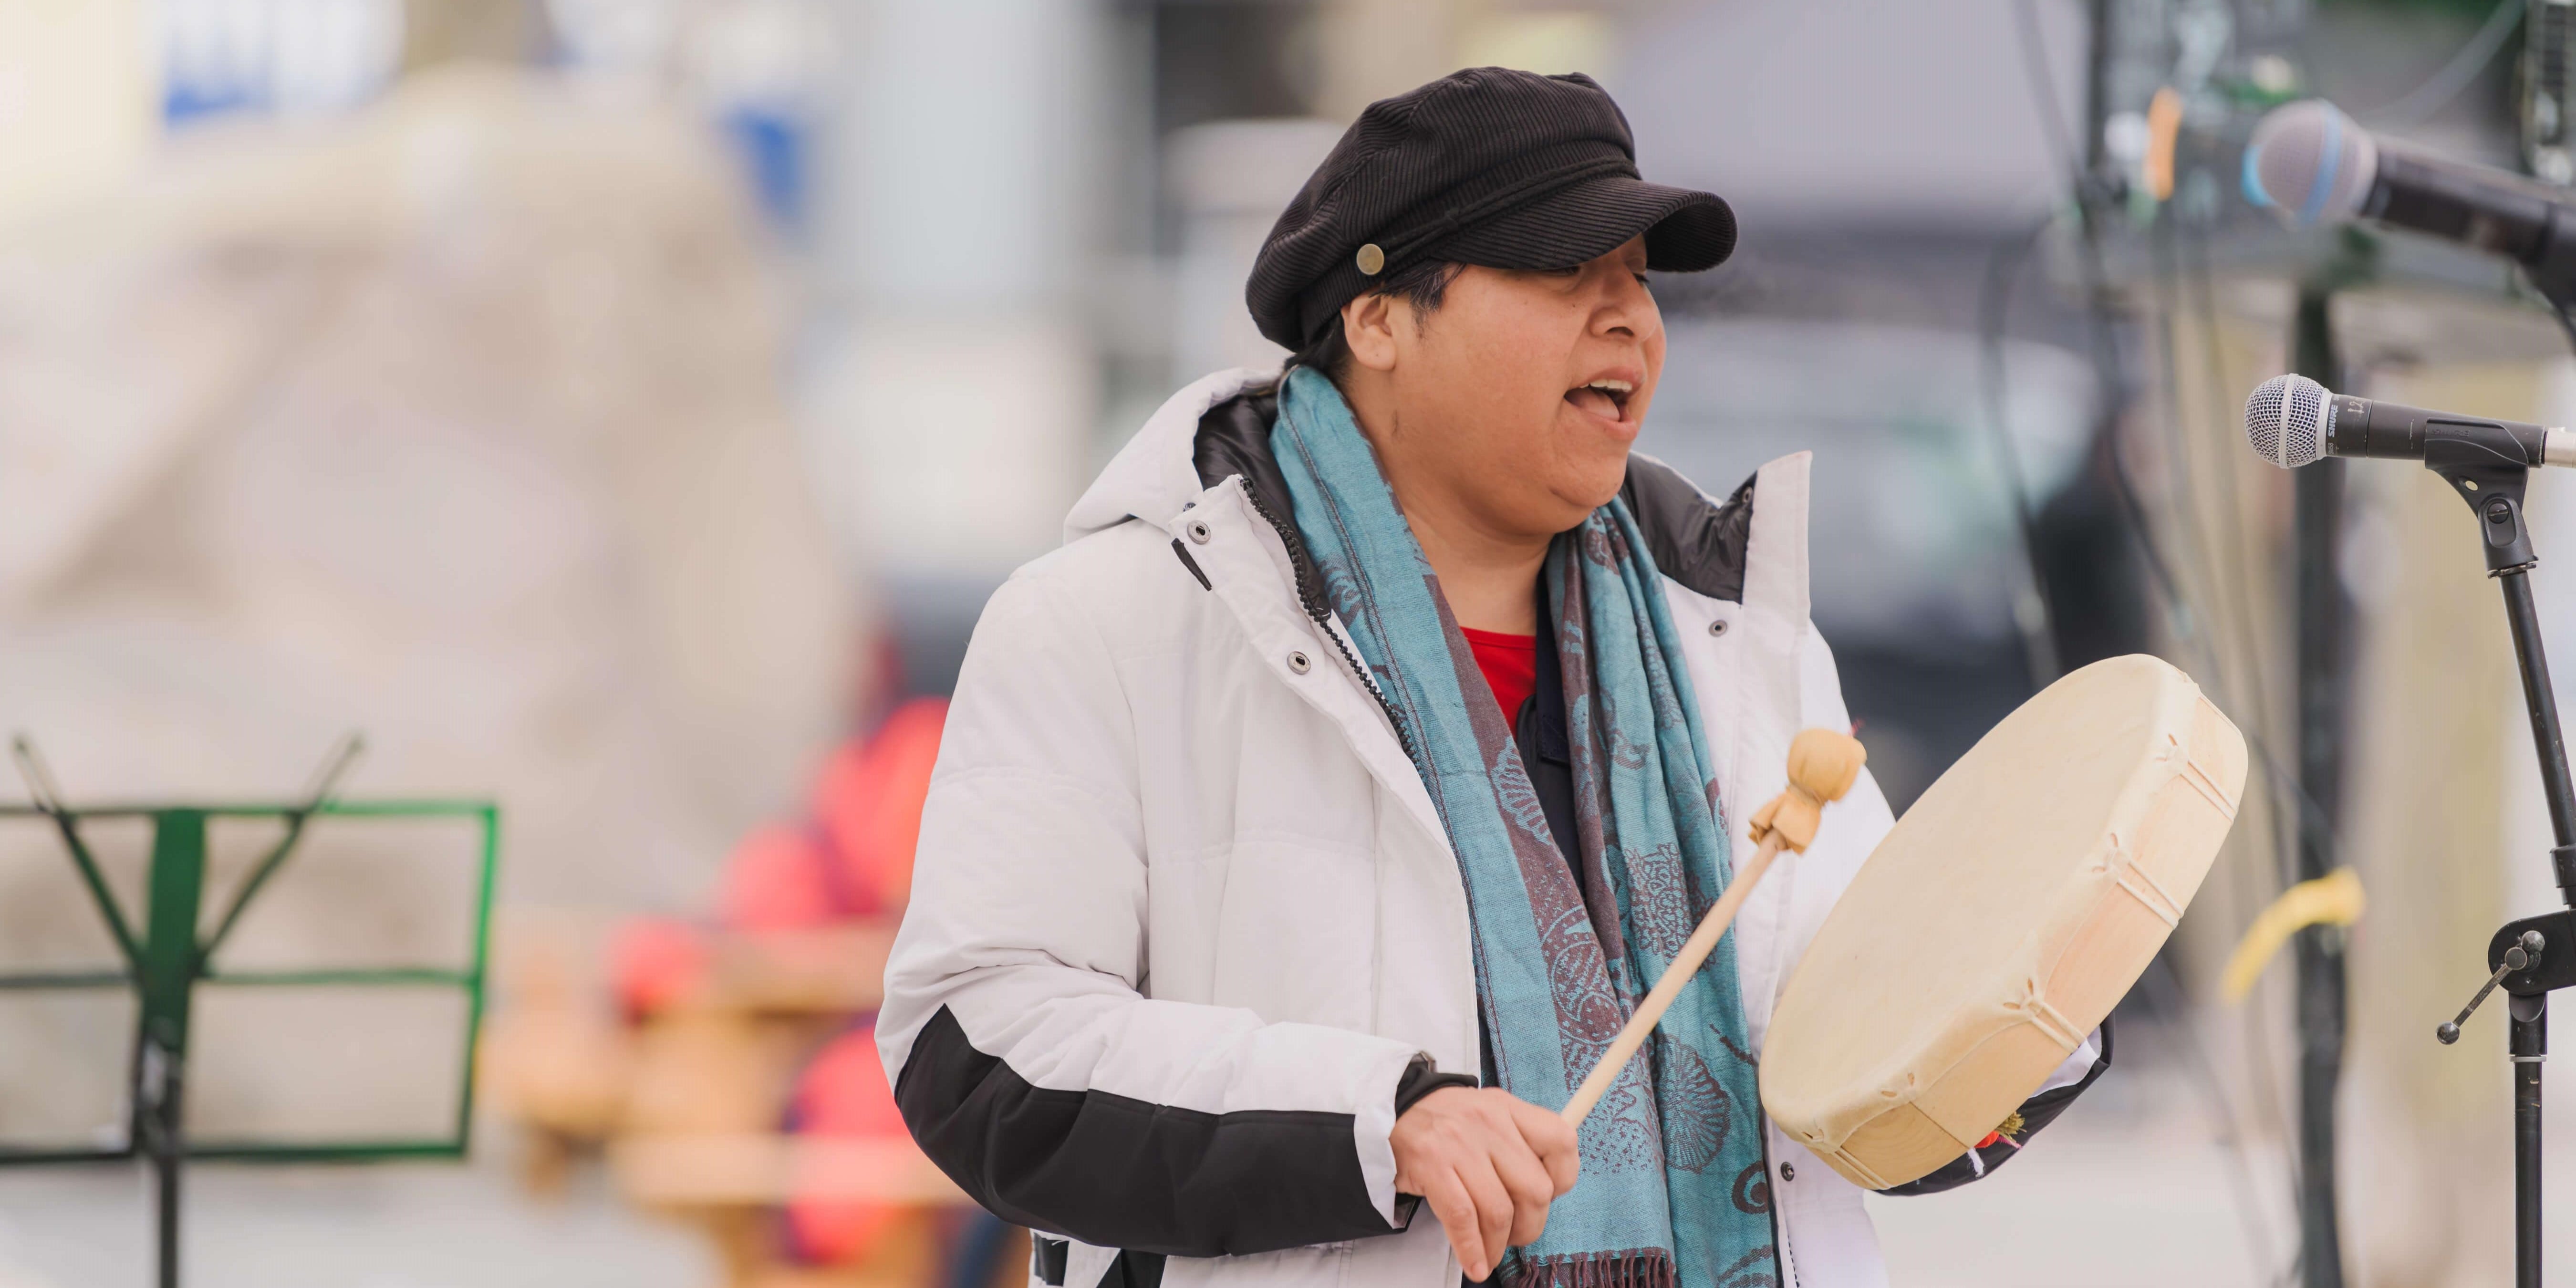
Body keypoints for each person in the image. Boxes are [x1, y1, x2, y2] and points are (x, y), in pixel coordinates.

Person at [877, 68, 2105, 1288]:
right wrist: (1382, 1119)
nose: (1630, 319)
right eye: (1566, 272)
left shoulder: (1743, 640)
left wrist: (2041, 1001)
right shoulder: (1115, 622)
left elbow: (1869, 1074)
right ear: (1378, 320)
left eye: (1640, 279)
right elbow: (978, 1046)